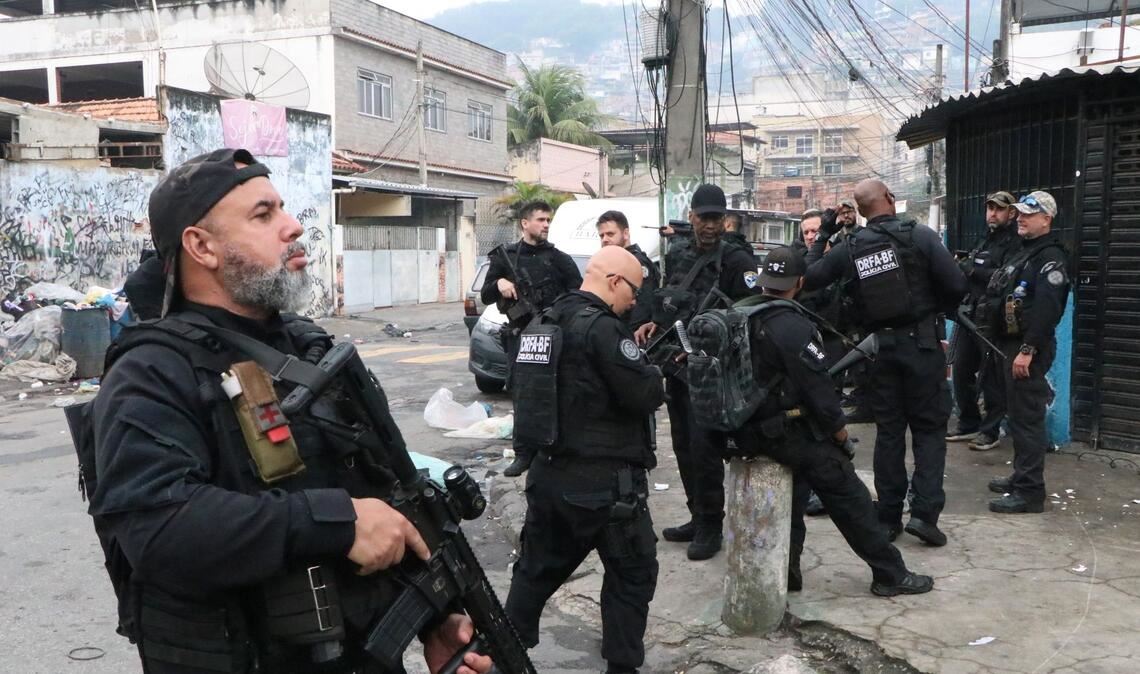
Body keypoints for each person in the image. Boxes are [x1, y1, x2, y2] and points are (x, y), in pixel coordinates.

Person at [88, 149, 492, 674]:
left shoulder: (310, 348)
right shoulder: (152, 370)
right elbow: (156, 528)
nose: (294, 226)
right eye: (264, 215)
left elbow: (390, 490)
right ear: (201, 246)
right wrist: (337, 522)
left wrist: (437, 619)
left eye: (283, 208)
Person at [733, 246, 934, 597]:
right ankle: (890, 574)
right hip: (789, 432)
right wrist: (840, 434)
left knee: (793, 498)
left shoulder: (739, 315)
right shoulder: (792, 325)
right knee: (849, 497)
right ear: (799, 282)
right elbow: (820, 393)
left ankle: (787, 573)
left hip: (749, 431)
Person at [505, 246, 665, 674]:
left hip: (548, 474)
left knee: (534, 572)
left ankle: (500, 653)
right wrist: (654, 371)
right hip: (604, 487)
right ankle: (622, 666)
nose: (635, 300)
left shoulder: (544, 321)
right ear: (613, 281)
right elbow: (644, 394)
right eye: (633, 289)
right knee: (633, 574)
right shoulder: (602, 328)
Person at [804, 180, 967, 547]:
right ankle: (924, 516)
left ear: (860, 211)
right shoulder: (921, 236)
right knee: (928, 432)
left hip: (880, 351)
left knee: (890, 433)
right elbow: (957, 286)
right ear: (890, 200)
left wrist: (825, 231)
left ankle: (889, 515)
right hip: (923, 347)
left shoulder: (851, 246)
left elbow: (809, 277)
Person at [634, 184, 759, 561]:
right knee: (684, 447)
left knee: (705, 450)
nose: (709, 225)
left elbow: (749, 313)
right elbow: (663, 298)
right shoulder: (678, 254)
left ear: (726, 220)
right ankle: (696, 514)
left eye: (716, 218)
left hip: (712, 370)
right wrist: (650, 322)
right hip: (676, 364)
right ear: (691, 217)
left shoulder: (737, 260)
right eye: (703, 218)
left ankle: (711, 526)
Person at [481, 200, 583, 477]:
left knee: (557, 391)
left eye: (548, 220)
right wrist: (499, 283)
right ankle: (524, 453)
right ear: (525, 223)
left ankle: (557, 449)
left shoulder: (558, 258)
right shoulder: (506, 257)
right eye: (540, 220)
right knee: (523, 394)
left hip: (552, 335)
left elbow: (578, 295)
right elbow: (485, 295)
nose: (546, 225)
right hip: (521, 335)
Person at [983, 191, 1070, 514]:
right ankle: (1022, 476)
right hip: (1011, 345)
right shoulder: (1026, 252)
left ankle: (1030, 491)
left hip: (1027, 348)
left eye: (1029, 214)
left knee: (1027, 419)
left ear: (1046, 219)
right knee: (1018, 417)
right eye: (1019, 213)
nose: (1020, 217)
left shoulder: (1051, 259)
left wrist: (1028, 350)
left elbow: (1048, 311)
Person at [948, 191, 1020, 451]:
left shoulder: (1014, 243)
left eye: (999, 209)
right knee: (961, 371)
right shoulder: (984, 239)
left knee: (991, 377)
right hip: (971, 315)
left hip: (993, 320)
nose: (992, 213)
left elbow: (1003, 277)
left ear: (1011, 213)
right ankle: (969, 423)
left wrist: (971, 270)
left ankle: (990, 431)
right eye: (990, 208)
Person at [597, 209, 660, 330]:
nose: (604, 239)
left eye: (610, 234)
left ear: (625, 233)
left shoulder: (636, 262)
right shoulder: (613, 261)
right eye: (601, 235)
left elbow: (643, 306)